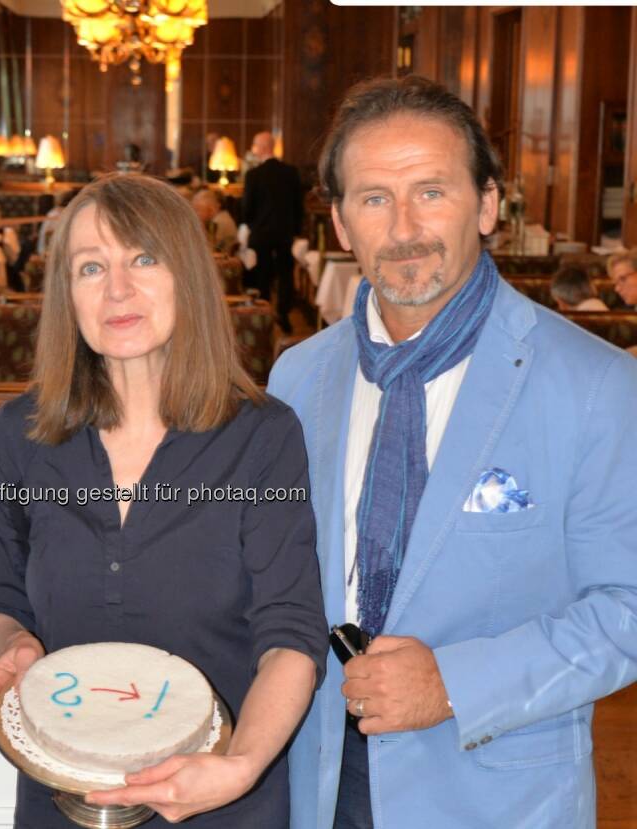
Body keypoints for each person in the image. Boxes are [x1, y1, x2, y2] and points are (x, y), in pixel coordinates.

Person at [269, 75, 637, 829]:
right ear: (340, 224)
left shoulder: (598, 383)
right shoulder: (298, 376)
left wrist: (453, 684)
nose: (405, 227)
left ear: (490, 205)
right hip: (316, 778)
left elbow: (627, 609)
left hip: (493, 789)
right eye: (374, 198)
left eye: (431, 191)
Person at [0, 173, 328, 827]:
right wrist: (14, 645)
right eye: (89, 267)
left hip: (220, 799)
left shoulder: (264, 437)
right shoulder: (22, 431)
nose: (117, 289)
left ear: (186, 275)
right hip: (62, 798)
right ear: (66, 294)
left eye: (143, 258)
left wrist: (240, 765)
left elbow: (292, 636)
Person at [241, 131, 304, 333]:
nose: (253, 149)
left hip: (261, 234)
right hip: (285, 233)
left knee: (263, 274)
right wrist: (296, 230)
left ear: (261, 148)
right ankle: (283, 313)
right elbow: (298, 205)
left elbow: (247, 208)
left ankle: (264, 313)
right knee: (285, 274)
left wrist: (248, 224)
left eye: (254, 145)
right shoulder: (291, 172)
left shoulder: (254, 175)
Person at [191, 187, 238, 254]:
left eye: (198, 209)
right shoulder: (222, 217)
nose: (194, 213)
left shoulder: (217, 223)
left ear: (211, 210)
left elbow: (210, 251)